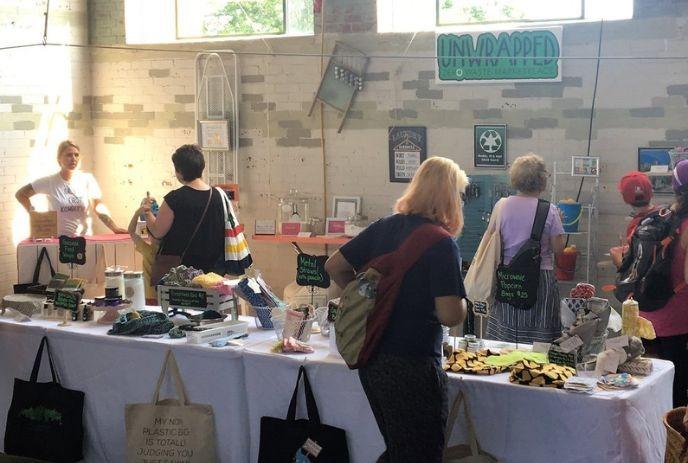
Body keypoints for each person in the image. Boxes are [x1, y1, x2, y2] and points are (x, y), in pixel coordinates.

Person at [325, 156, 468, 463]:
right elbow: (450, 315)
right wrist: (466, 302)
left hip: (373, 357)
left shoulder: (384, 228)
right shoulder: (441, 243)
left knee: (399, 449)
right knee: (419, 454)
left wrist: (364, 298)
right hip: (413, 363)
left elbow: (334, 266)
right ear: (450, 197)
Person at [486, 153, 565, 344]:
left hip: (508, 277)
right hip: (539, 279)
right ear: (542, 179)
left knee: (506, 332)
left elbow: (491, 240)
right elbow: (558, 248)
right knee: (539, 339)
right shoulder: (549, 210)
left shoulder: (501, 206)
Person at [641, 159, 688, 407]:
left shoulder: (663, 216)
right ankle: (674, 439)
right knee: (677, 386)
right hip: (679, 315)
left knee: (656, 383)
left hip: (652, 309)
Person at [143, 144, 225, 274]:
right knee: (210, 295)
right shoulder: (219, 196)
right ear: (202, 167)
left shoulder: (175, 198)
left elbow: (158, 231)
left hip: (180, 272)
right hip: (212, 270)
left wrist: (147, 212)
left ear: (179, 171)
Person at [15, 140, 126, 235]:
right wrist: (34, 214)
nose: (73, 158)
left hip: (84, 239)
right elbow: (21, 194)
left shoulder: (87, 179)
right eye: (68, 155)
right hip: (59, 241)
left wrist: (114, 228)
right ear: (59, 158)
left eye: (76, 155)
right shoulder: (49, 181)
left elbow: (98, 208)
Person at [611, 171, 660, 268]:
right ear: (651, 193)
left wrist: (617, 260)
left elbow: (635, 268)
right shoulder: (664, 214)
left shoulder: (635, 225)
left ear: (625, 197)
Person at [127, 205, 159, 304]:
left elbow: (131, 231)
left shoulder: (148, 250)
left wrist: (137, 213)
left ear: (149, 235)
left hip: (149, 295)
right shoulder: (170, 249)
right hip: (166, 294)